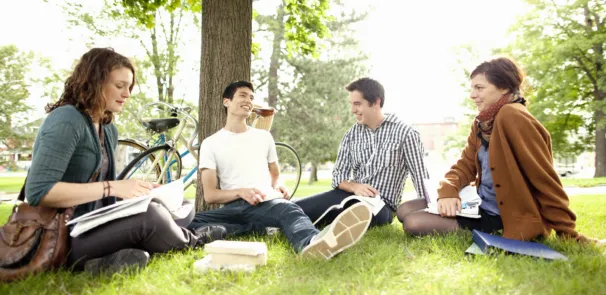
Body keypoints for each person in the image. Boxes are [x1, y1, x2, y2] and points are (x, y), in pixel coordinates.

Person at [25, 47, 225, 275]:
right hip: (64, 235)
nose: (127, 94)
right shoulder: (66, 119)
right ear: (94, 82)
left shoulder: (108, 128)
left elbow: (104, 194)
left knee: (180, 207)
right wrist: (113, 187)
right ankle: (191, 240)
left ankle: (104, 262)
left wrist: (139, 191)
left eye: (129, 87)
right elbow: (39, 191)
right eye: (120, 86)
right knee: (151, 217)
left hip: (96, 224)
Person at [396, 57, 601, 243]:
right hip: (478, 204)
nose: (472, 95)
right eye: (472, 88)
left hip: (501, 215)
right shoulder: (482, 123)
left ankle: (489, 229)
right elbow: (464, 166)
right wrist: (448, 191)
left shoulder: (513, 117)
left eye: (479, 88)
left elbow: (544, 179)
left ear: (503, 88)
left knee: (413, 223)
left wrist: (568, 232)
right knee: (404, 209)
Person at [188, 81, 373, 259]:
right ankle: (258, 229)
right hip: (232, 208)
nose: (248, 101)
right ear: (226, 101)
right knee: (194, 222)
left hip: (264, 204)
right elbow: (211, 196)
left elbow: (275, 176)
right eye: (242, 95)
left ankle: (312, 243)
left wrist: (280, 185)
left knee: (289, 210)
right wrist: (241, 192)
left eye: (251, 97)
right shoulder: (211, 143)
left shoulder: (264, 137)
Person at [295, 77, 430, 227]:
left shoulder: (406, 133)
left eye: (357, 104)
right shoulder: (351, 135)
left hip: (381, 207)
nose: (353, 110)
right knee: (295, 207)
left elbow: (421, 179)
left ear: (376, 102)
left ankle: (324, 223)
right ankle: (282, 221)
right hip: (349, 196)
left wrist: (430, 213)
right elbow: (338, 177)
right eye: (351, 104)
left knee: (348, 211)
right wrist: (355, 187)